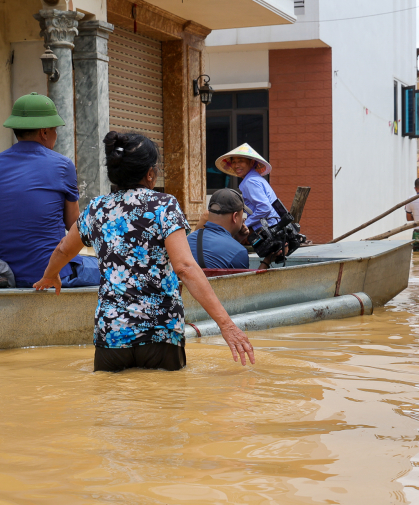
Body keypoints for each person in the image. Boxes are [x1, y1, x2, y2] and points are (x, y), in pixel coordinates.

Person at [33, 131, 255, 372]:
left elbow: (64, 249)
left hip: (112, 335)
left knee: (109, 405)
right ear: (150, 174)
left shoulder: (96, 208)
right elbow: (185, 267)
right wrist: (226, 324)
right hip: (160, 333)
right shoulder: (164, 206)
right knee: (163, 403)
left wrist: (50, 275)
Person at [0, 93, 100, 288]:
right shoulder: (62, 165)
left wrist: (3, 211)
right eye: (55, 130)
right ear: (44, 132)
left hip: (10, 275)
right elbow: (74, 225)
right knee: (118, 266)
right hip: (55, 274)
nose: (56, 136)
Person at [214, 144, 280, 233]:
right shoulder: (255, 178)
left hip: (269, 230)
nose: (236, 165)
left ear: (252, 162)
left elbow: (265, 208)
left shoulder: (250, 181)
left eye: (241, 161)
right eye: (233, 162)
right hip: (273, 227)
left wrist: (245, 224)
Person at [187, 188, 250, 269]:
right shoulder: (239, 252)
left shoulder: (187, 240)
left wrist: (236, 239)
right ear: (235, 217)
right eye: (242, 215)